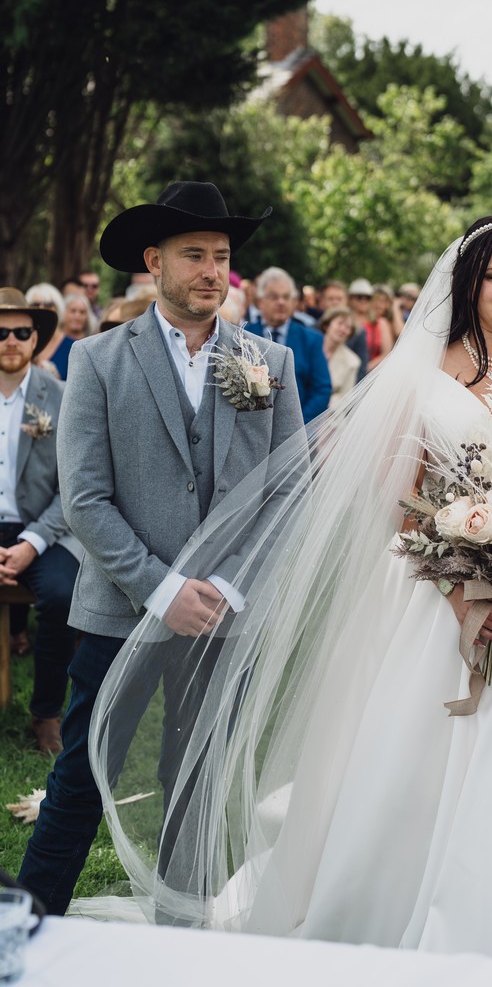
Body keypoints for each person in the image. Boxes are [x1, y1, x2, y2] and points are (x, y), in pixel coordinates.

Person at [81, 216, 492, 978]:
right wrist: (463, 584)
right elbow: (397, 482)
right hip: (433, 588)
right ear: (468, 283)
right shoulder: (427, 361)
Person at [17, 181, 305, 916]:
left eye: (222, 257)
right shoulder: (99, 359)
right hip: (122, 606)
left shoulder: (269, 362)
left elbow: (286, 492)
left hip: (226, 617)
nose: (212, 270)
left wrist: (229, 590)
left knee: (199, 776)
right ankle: (32, 915)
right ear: (154, 261)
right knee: (86, 767)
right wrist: (163, 590)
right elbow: (84, 499)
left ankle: (184, 923)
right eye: (194, 256)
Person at [0, 289, 82, 753]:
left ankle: (47, 712)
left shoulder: (63, 396)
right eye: (0, 332)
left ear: (35, 339)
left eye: (21, 331)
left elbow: (74, 485)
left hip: (44, 530)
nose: (10, 340)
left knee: (61, 597)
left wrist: (32, 542)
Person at [246, 268, 331, 423]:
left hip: (298, 429)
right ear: (260, 301)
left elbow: (322, 388)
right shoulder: (244, 336)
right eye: (274, 296)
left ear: (294, 302)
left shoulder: (311, 339)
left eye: (286, 297)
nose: (281, 302)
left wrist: (299, 425)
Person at [318, 306, 360, 409]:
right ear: (327, 325)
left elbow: (345, 397)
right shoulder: (309, 347)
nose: (343, 329)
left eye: (347, 327)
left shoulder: (352, 361)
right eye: (340, 323)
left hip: (330, 415)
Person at [348, 278, 393, 371]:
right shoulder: (345, 320)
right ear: (350, 299)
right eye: (359, 297)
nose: (363, 300)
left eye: (367, 297)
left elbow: (386, 353)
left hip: (370, 373)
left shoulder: (380, 323)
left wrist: (365, 368)